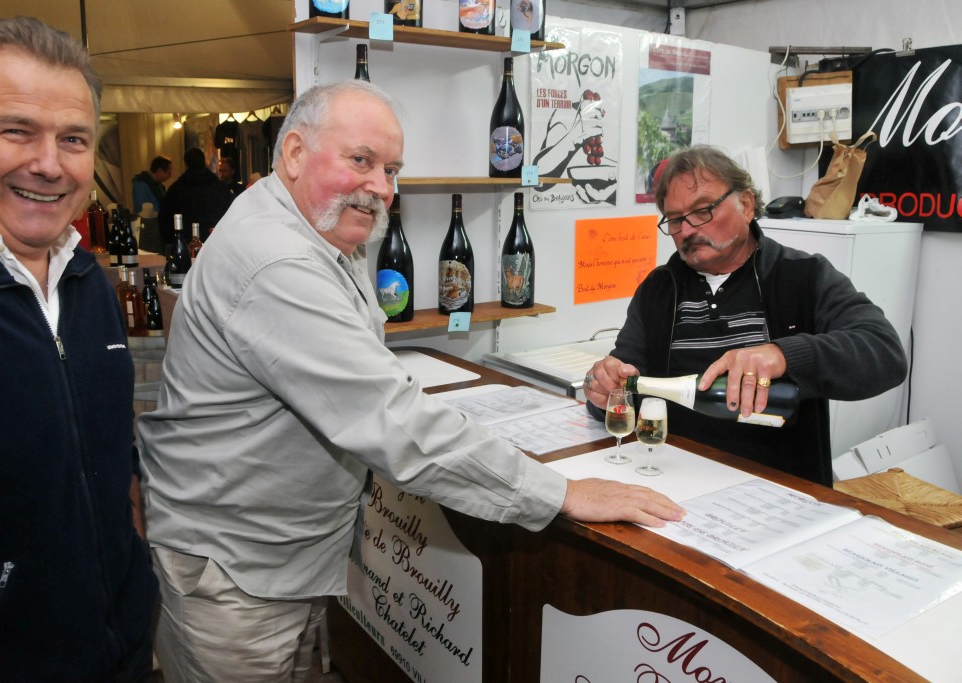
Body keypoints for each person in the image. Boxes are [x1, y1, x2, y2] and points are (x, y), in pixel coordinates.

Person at [138, 80, 684, 683]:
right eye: (361, 160)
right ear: (293, 153)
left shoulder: (315, 230)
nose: (381, 187)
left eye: (392, 170)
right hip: (237, 576)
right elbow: (389, 420)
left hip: (272, 560)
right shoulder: (279, 262)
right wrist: (559, 493)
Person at [0, 16, 157, 683]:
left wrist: (135, 577)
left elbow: (112, 453)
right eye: (16, 130)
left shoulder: (86, 278)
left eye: (73, 139)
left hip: (120, 650)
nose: (49, 164)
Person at [583, 145, 908, 486]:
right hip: (672, 482)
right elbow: (623, 385)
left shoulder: (802, 276)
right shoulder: (659, 289)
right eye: (675, 219)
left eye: (703, 210)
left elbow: (885, 352)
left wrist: (783, 355)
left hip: (779, 491)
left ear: (747, 205)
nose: (688, 230)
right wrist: (602, 390)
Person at [157, 146, 232, 245]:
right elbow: (230, 214)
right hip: (215, 241)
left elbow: (164, 218)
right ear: (204, 162)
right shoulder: (220, 188)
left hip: (185, 243)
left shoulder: (176, 189)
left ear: (186, 164)